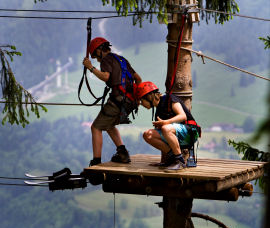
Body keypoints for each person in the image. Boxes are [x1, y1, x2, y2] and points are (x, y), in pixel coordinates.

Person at [82, 37, 142, 166]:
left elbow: (106, 77)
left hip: (118, 99)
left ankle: (96, 161)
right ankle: (123, 153)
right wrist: (135, 96)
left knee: (96, 127)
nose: (97, 59)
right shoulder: (121, 59)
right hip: (130, 101)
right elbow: (138, 78)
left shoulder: (106, 60)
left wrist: (90, 67)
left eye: (96, 56)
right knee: (108, 125)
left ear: (99, 50)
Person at [135, 81, 200, 171]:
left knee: (165, 128)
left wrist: (166, 122)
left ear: (149, 96)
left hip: (190, 132)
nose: (141, 104)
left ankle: (179, 161)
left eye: (142, 101)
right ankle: (173, 158)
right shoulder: (158, 110)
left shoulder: (169, 99)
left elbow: (183, 116)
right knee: (147, 134)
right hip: (176, 134)